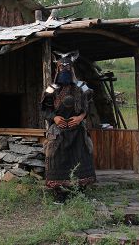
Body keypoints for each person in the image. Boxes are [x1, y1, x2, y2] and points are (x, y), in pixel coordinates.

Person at [41, 50, 96, 201]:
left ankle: (79, 193)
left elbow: (89, 103)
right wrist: (55, 117)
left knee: (80, 159)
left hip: (78, 132)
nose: (64, 68)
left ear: (72, 68)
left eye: (67, 66)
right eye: (61, 67)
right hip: (58, 133)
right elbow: (44, 109)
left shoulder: (81, 86)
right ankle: (60, 195)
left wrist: (80, 117)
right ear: (57, 69)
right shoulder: (51, 88)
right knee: (58, 161)